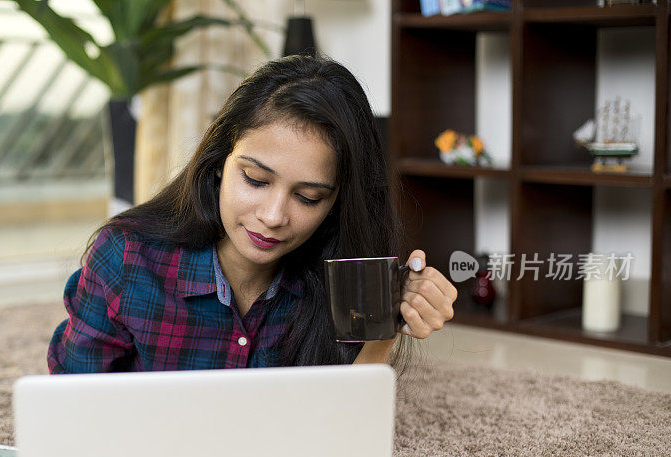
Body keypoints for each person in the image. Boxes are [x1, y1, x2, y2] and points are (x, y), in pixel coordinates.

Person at [48, 54, 457, 375]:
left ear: (337, 204)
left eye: (309, 197)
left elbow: (341, 424)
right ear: (219, 161)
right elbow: (69, 401)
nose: (274, 216)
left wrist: (387, 321)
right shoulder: (126, 259)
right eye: (256, 179)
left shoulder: (340, 277)